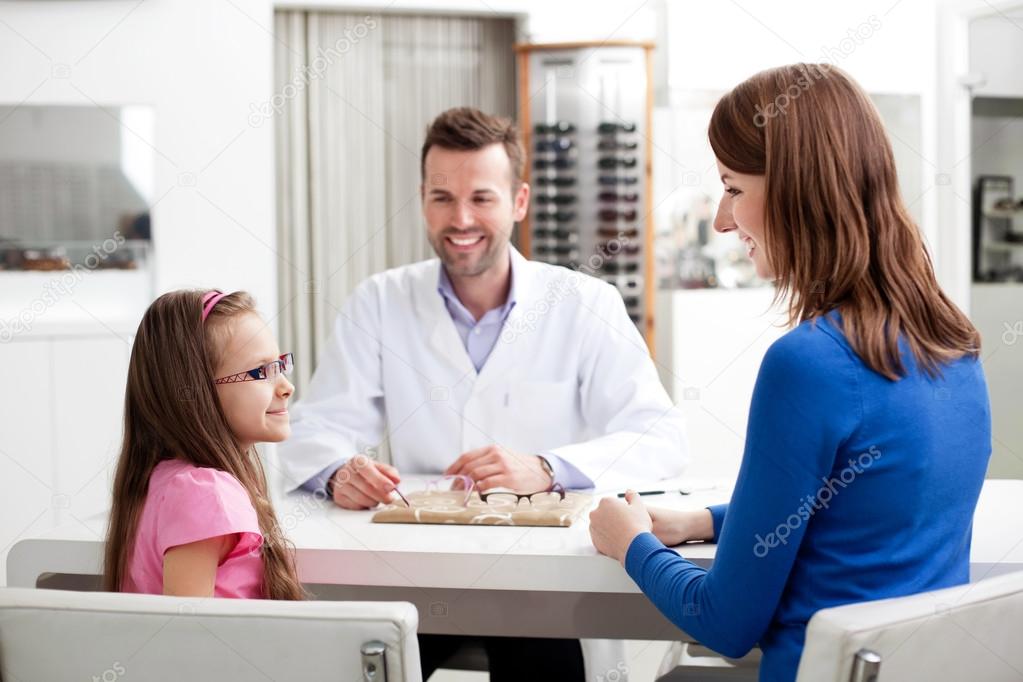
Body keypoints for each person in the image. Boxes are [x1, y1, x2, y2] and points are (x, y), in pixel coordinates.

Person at [589, 63, 991, 682]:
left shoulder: (809, 363)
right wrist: (705, 521)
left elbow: (725, 623)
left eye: (733, 188)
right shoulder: (955, 344)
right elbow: (852, 509)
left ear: (797, 189)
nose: (723, 220)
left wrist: (630, 543)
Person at [278, 107, 689, 680]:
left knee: (546, 664)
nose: (461, 218)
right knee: (361, 662)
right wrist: (338, 471)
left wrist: (548, 467)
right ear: (422, 198)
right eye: (442, 197)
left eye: (482, 198)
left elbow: (662, 437)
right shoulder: (380, 300)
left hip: (543, 581)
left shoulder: (583, 303)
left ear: (519, 202)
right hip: (417, 574)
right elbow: (316, 426)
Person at [104, 289, 303, 600]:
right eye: (262, 372)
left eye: (280, 365)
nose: (287, 386)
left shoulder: (166, 479)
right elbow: (187, 635)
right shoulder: (204, 490)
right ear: (198, 393)